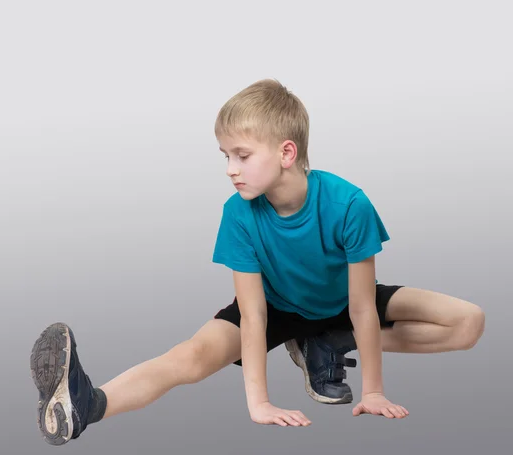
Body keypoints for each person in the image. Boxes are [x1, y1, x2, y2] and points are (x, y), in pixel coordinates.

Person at [29, 79, 485, 446]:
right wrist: (259, 402)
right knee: (190, 356)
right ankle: (87, 405)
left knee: (468, 322)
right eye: (226, 156)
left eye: (242, 156)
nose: (230, 168)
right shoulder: (239, 214)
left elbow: (364, 305)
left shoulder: (349, 204)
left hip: (345, 300)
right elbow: (253, 314)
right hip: (275, 307)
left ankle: (331, 341)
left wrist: (373, 391)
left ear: (287, 152)